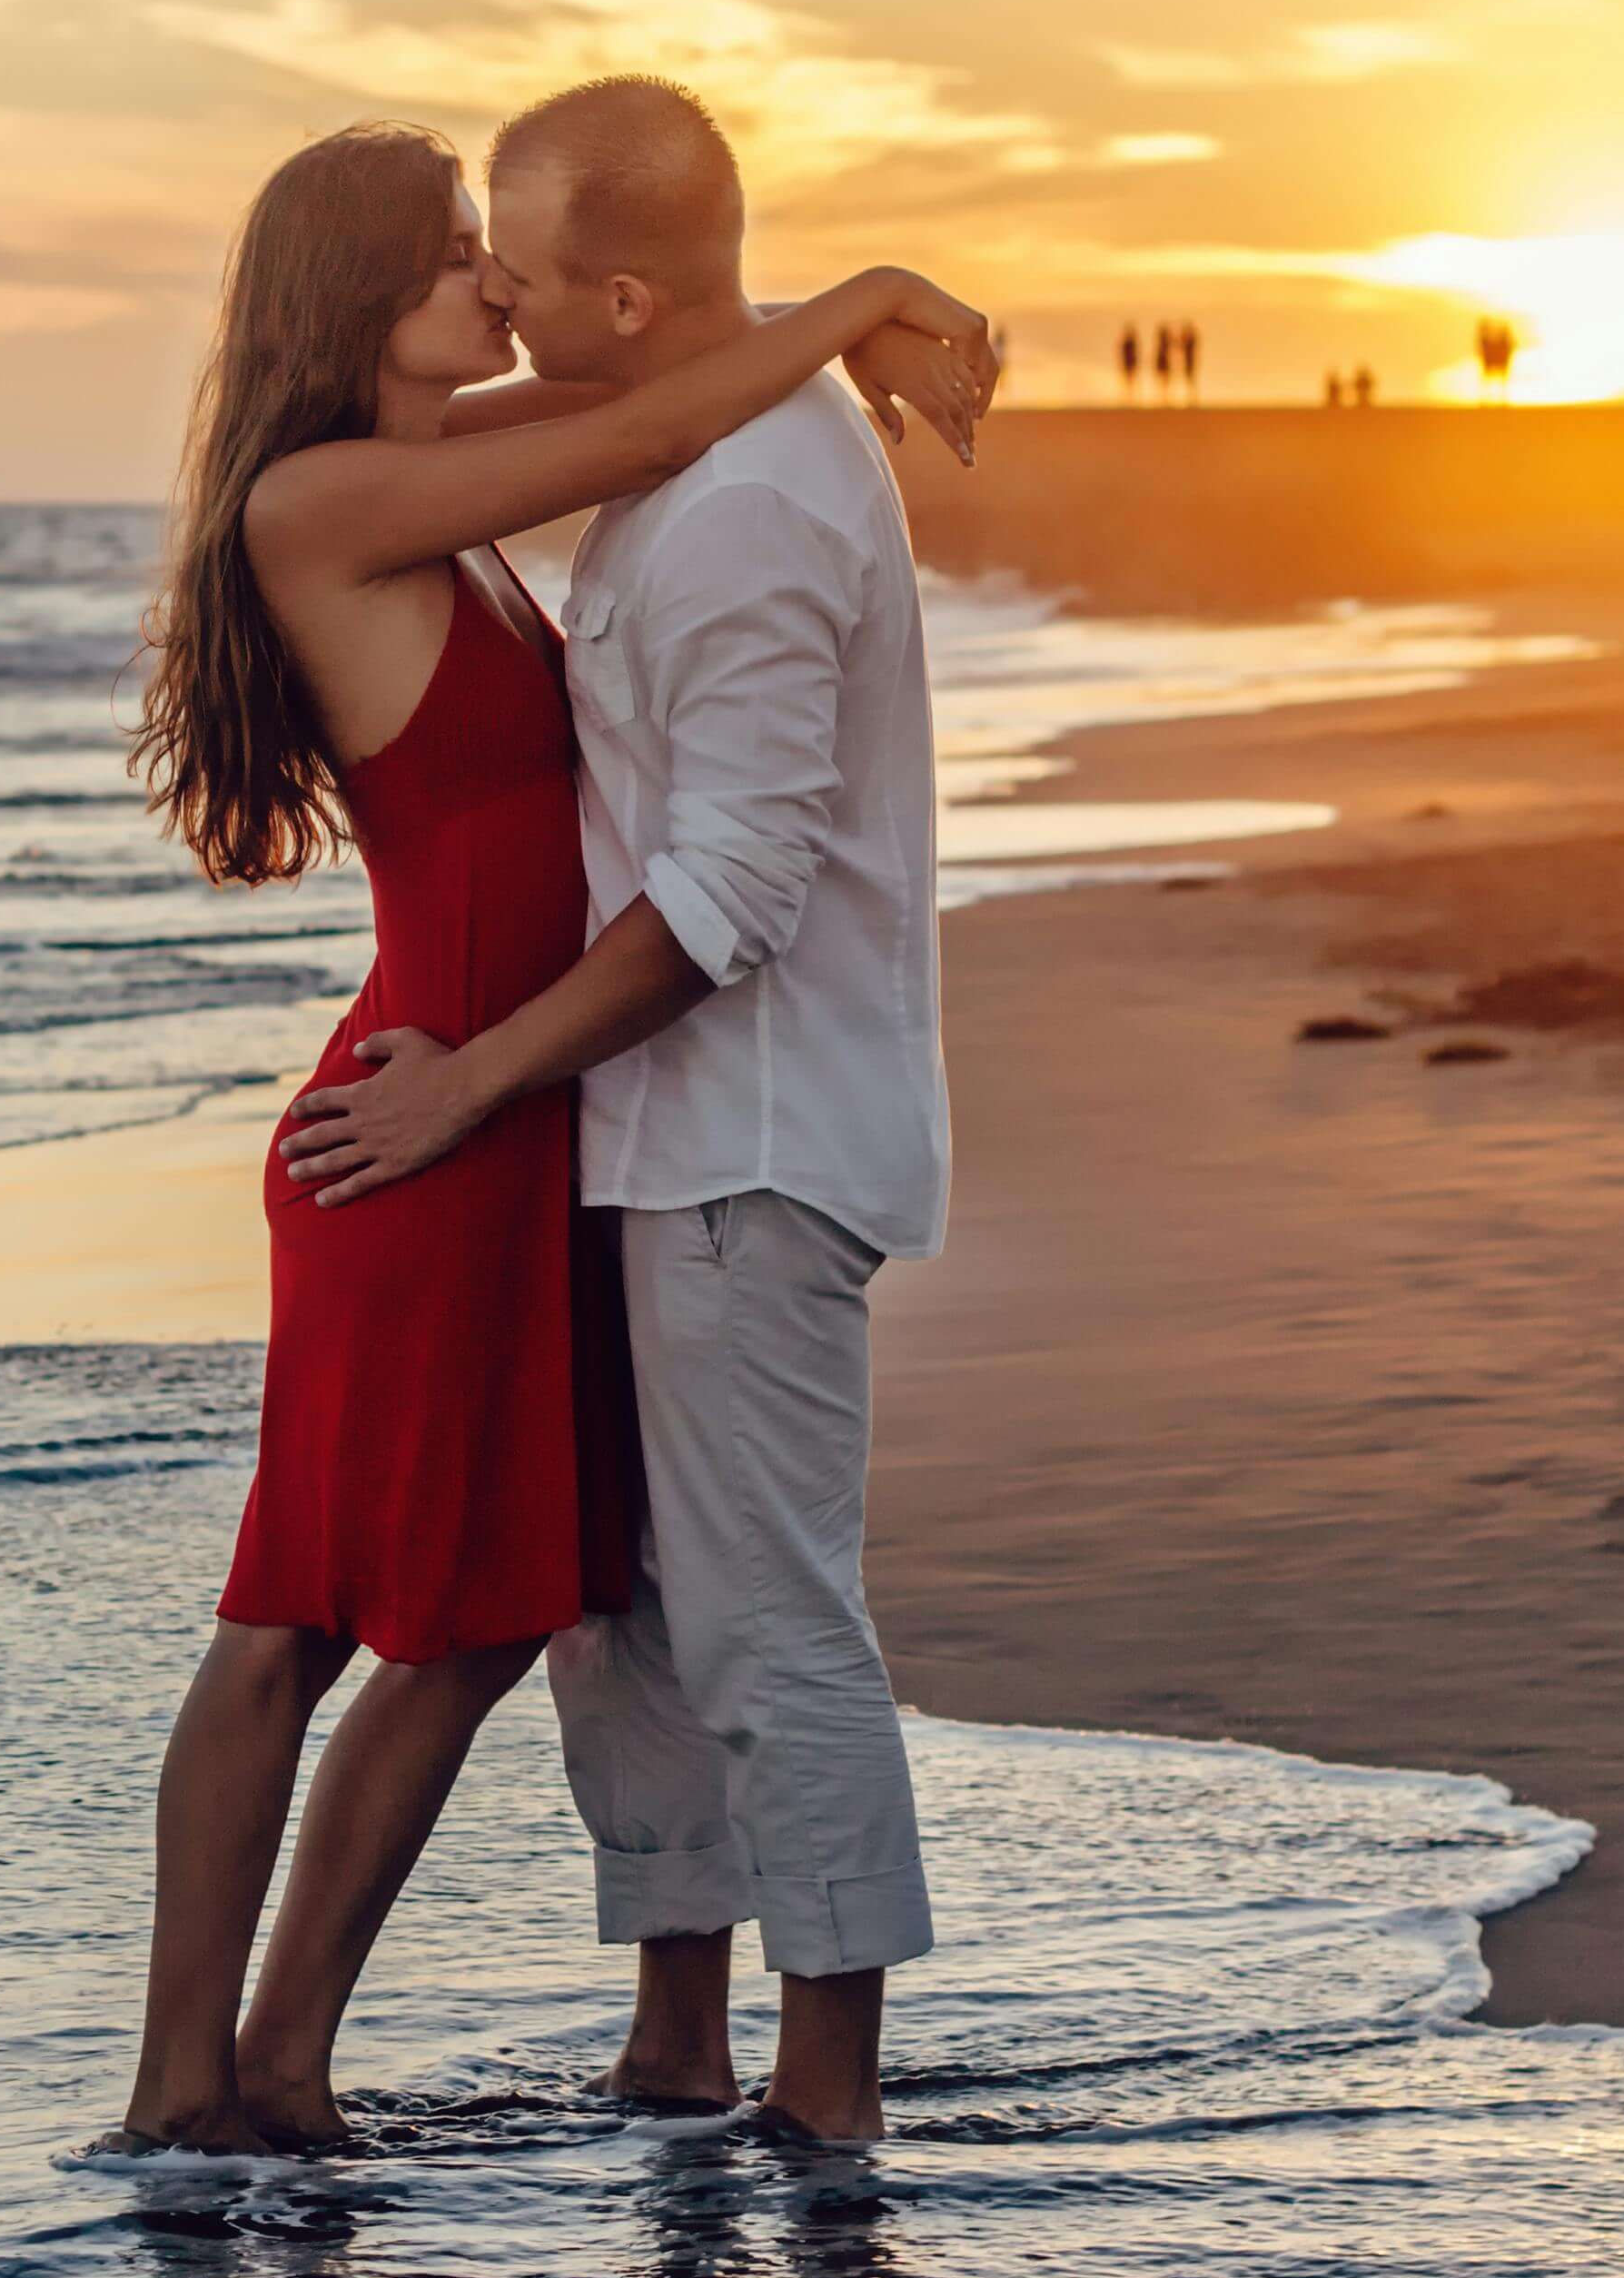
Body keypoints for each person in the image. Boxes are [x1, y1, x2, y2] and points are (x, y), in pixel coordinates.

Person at [112, 114, 994, 2154]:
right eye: (451, 260)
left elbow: (638, 386)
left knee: (496, 1611)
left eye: (499, 258)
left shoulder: (432, 486)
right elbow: (629, 415)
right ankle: (200, 2087)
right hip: (431, 1115)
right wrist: (857, 301)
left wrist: (800, 323)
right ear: (363, 300)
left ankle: (277, 2075)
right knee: (312, 1613)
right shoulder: (337, 499)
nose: (489, 292)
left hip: (510, 1112)